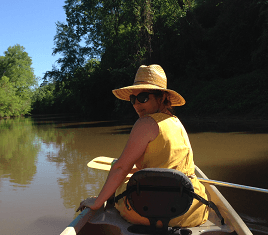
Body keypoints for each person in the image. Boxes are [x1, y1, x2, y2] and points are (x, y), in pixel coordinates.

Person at [77, 64, 209, 227]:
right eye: (133, 99)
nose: (136, 104)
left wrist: (97, 202)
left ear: (161, 98)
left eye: (143, 97)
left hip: (148, 212)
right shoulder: (177, 122)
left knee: (121, 182)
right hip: (190, 211)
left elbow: (120, 168)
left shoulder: (145, 123)